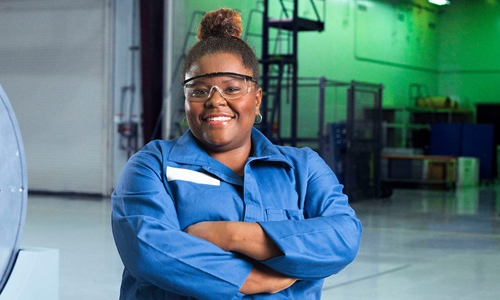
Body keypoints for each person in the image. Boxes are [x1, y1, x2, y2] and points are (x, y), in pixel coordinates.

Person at [111, 8, 362, 299]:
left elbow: (343, 236)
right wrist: (256, 279)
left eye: (232, 88)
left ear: (256, 99)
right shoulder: (152, 166)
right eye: (199, 90)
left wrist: (229, 235)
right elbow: (148, 250)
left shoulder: (302, 168)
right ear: (186, 99)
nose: (215, 100)